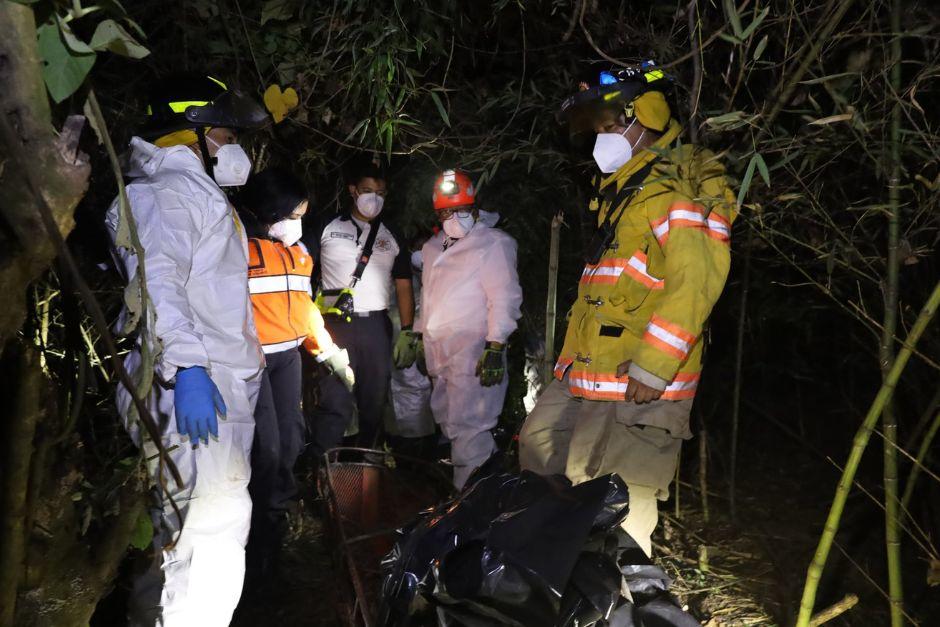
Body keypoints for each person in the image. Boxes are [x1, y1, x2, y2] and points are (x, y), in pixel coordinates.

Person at [518, 63, 737, 556]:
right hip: (588, 372)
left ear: (649, 114)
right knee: (539, 450)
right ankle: (551, 574)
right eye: (594, 127)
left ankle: (617, 599)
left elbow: (697, 277)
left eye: (609, 124)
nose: (600, 137)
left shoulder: (683, 178)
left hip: (640, 380)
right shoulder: (626, 186)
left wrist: (654, 366)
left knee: (616, 505)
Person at [104, 74, 267, 625]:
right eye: (226, 133)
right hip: (197, 388)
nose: (235, 148)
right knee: (212, 538)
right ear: (190, 132)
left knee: (178, 535)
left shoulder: (186, 190)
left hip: (203, 382)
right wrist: (190, 366)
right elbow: (157, 286)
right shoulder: (165, 194)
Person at [236, 168, 354, 578]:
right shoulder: (236, 247)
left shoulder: (298, 253)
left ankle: (277, 520)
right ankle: (254, 539)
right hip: (250, 362)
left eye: (303, 214)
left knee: (289, 440)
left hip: (287, 357)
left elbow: (304, 311)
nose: (298, 222)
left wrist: (328, 352)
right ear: (271, 210)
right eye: (294, 213)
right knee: (265, 449)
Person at [402, 169, 522, 488]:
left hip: (475, 355)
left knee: (471, 430)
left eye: (461, 210)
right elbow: (428, 298)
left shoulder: (493, 244)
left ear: (475, 207)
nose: (453, 217)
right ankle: (481, 494)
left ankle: (469, 507)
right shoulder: (432, 249)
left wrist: (496, 345)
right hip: (439, 355)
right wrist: (417, 334)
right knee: (452, 428)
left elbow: (505, 297)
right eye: (446, 211)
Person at [305, 162, 415, 456]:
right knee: (334, 398)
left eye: (380, 192)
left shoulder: (392, 233)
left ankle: (368, 462)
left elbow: (404, 284)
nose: (374, 198)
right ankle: (323, 465)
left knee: (374, 398)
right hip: (333, 325)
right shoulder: (327, 225)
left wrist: (407, 331)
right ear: (353, 191)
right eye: (367, 191)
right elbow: (302, 271)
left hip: (375, 327)